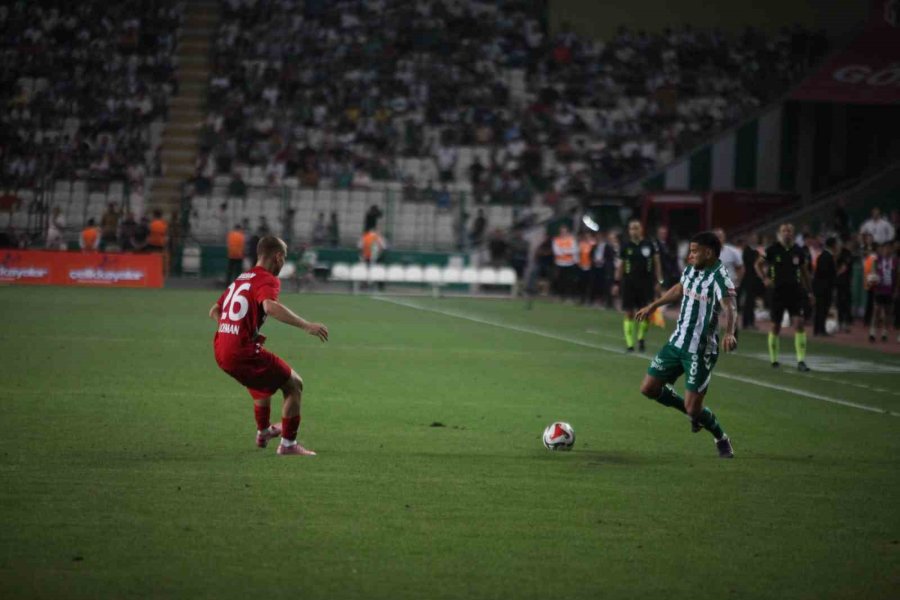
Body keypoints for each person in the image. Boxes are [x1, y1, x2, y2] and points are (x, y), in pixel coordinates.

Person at [209, 235, 329, 456]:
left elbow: (214, 310)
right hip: (240, 352)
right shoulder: (267, 279)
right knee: (294, 384)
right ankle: (288, 445)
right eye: (284, 259)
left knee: (261, 382)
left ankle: (264, 431)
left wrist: (232, 327)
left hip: (221, 350)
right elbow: (270, 307)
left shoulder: (242, 278)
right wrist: (306, 325)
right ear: (278, 256)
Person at [634, 231, 736, 459]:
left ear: (708, 252)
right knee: (648, 388)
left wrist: (729, 333)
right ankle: (691, 414)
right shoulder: (691, 269)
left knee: (694, 408)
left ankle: (721, 437)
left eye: (694, 251)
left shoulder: (720, 277)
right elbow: (680, 289)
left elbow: (730, 306)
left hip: (700, 352)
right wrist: (654, 305)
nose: (689, 255)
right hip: (676, 343)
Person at [755, 223, 814, 371]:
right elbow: (758, 265)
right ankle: (774, 360)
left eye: (789, 231)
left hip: (795, 292)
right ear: (779, 233)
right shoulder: (773, 249)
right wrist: (765, 278)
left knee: (799, 323)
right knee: (776, 326)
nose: (786, 233)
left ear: (793, 234)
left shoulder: (799, 251)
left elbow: (805, 272)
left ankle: (801, 361)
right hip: (777, 292)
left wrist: (810, 291)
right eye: (784, 231)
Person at [613, 219, 662, 352]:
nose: (634, 231)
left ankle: (641, 338)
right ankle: (630, 344)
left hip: (646, 283)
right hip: (629, 283)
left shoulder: (649, 244)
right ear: (629, 231)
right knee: (629, 312)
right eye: (631, 228)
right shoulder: (625, 245)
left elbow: (657, 263)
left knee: (645, 312)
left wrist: (659, 281)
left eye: (636, 228)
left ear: (641, 230)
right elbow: (620, 265)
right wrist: (616, 283)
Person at [714, 228, 744, 337]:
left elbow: (740, 267)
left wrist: (738, 281)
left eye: (720, 236)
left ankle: (732, 339)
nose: (718, 239)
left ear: (724, 238)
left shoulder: (732, 251)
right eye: (716, 236)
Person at [869, 242, 897, 342]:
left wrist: (896, 290)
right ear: (882, 250)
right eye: (885, 249)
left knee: (887, 312)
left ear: (891, 250)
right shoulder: (877, 261)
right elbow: (872, 273)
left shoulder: (894, 262)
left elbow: (897, 276)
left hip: (889, 290)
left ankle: (885, 331)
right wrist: (872, 278)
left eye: (889, 249)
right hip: (879, 289)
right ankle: (872, 331)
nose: (886, 251)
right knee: (876, 310)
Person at [812, 237, 837, 336]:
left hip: (820, 286)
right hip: (824, 287)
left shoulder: (822, 255)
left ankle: (817, 329)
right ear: (833, 245)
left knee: (819, 308)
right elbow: (826, 273)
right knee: (823, 308)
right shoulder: (827, 256)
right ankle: (821, 330)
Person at [740, 234, 764, 329]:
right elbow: (752, 264)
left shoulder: (755, 251)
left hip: (753, 278)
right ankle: (747, 323)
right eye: (753, 238)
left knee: (751, 302)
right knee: (748, 302)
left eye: (756, 238)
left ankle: (749, 322)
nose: (755, 240)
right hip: (749, 278)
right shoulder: (748, 251)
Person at [551, 224, 578, 300]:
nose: (563, 233)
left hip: (569, 263)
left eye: (564, 231)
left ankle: (567, 295)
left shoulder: (571, 239)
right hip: (559, 263)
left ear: (567, 232)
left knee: (568, 280)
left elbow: (574, 250)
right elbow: (556, 252)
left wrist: (563, 250)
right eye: (562, 231)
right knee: (559, 280)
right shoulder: (556, 240)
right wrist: (567, 251)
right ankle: (559, 295)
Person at [834, 238, 854, 332]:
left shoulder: (846, 254)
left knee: (845, 302)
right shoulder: (840, 254)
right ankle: (841, 323)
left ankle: (844, 323)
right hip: (840, 283)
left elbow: (845, 268)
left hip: (845, 282)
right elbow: (840, 266)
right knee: (841, 303)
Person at [147, 209, 169, 275]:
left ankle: (152, 272)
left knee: (152, 259)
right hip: (161, 245)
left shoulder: (151, 224)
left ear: (154, 215)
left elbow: (148, 234)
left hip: (152, 244)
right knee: (161, 259)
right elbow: (166, 235)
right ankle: (162, 273)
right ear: (161, 215)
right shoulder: (164, 224)